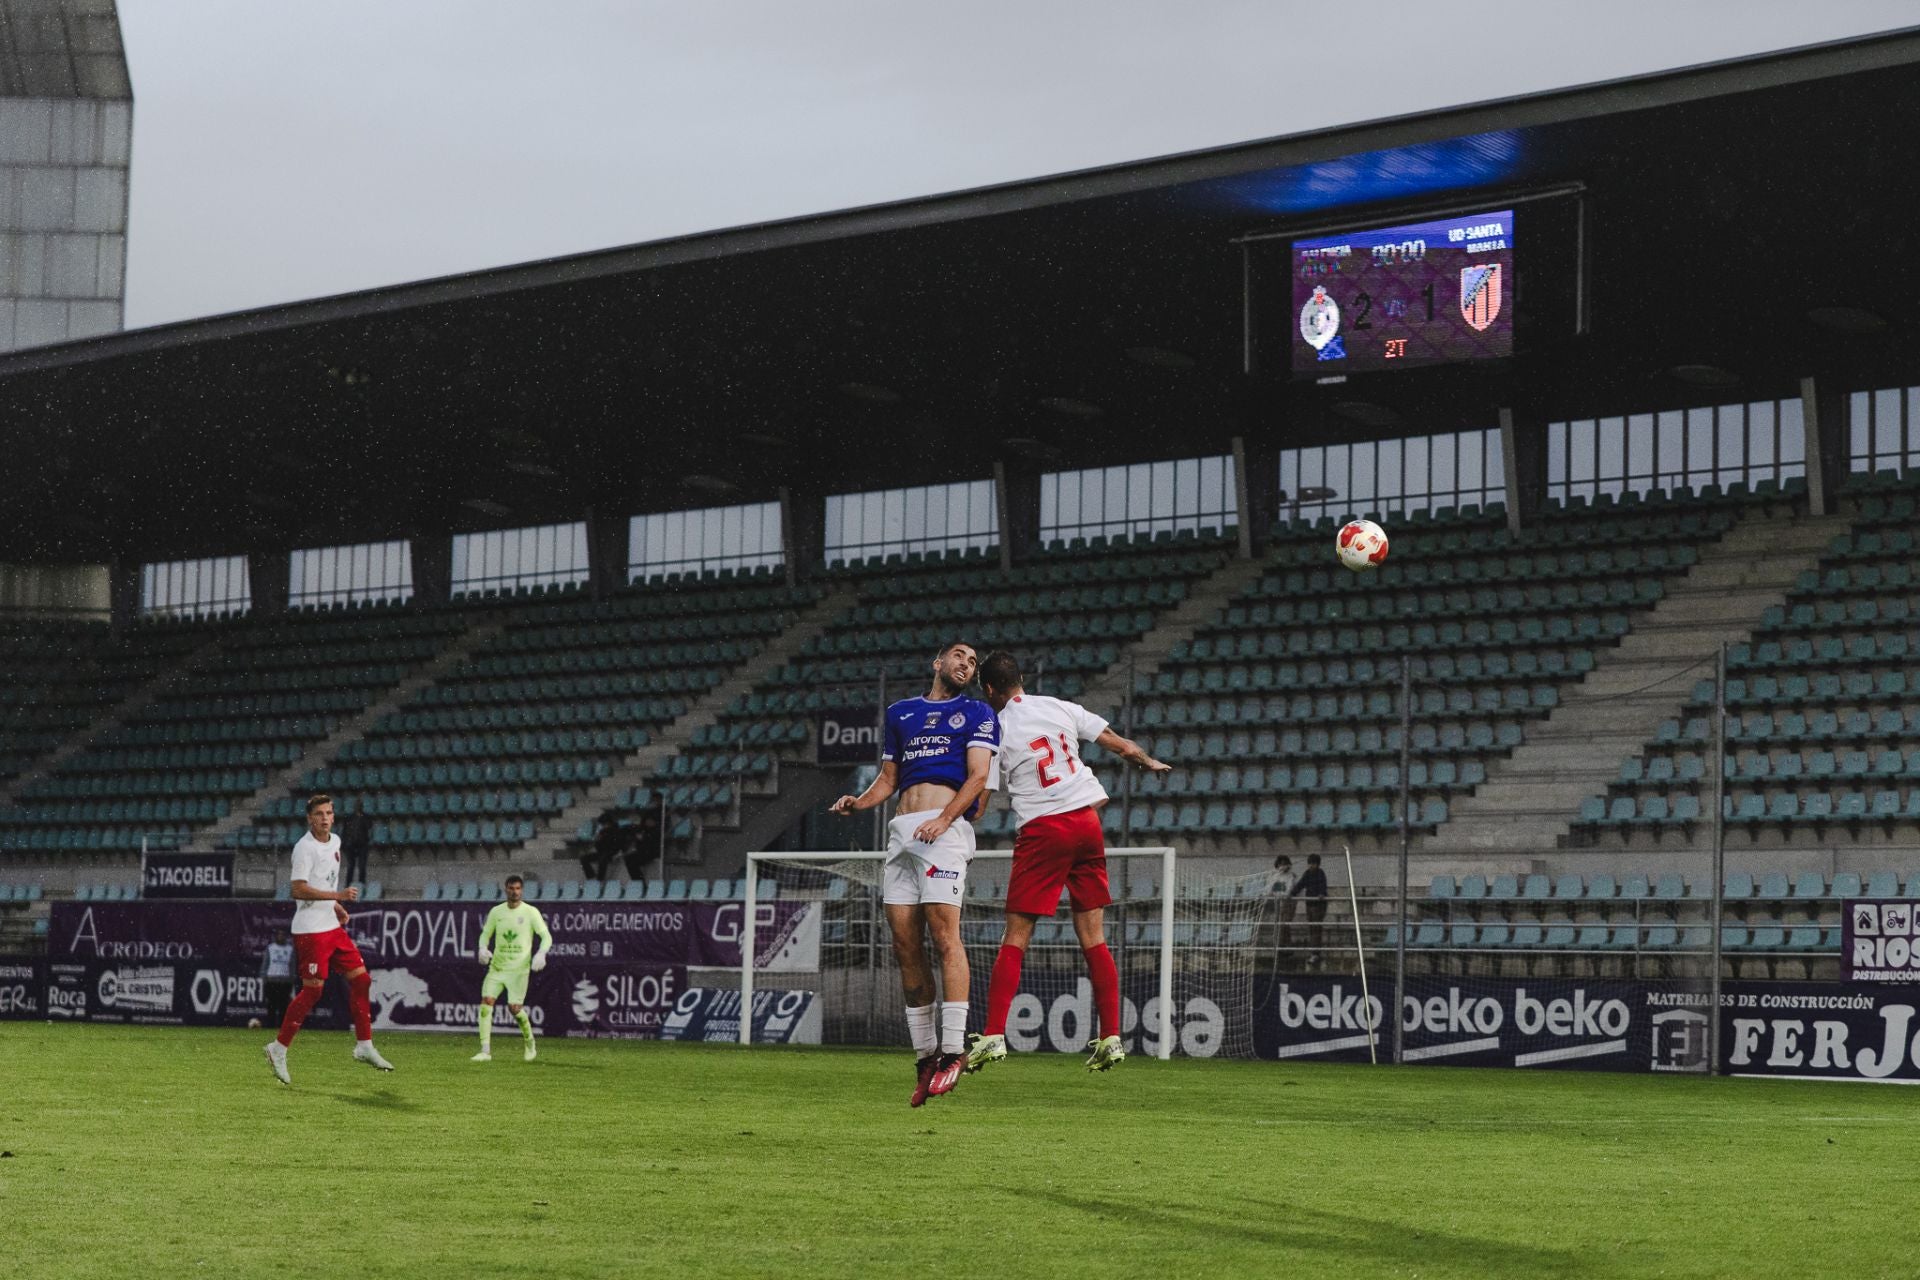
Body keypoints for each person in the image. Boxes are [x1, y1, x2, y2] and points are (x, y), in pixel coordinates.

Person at [965, 651, 1170, 1074]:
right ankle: (1112, 1036)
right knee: (1093, 936)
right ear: (1021, 679)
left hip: (1045, 830)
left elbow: (981, 797)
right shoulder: (1060, 706)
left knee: (1016, 936)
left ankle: (992, 1035)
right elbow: (1121, 746)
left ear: (988, 690)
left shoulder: (995, 728)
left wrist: (958, 815)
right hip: (1087, 823)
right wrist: (1147, 761)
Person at [829, 640, 998, 1106]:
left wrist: (944, 819)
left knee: (946, 938)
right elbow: (888, 778)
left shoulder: (979, 713)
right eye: (959, 657)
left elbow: (979, 778)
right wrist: (858, 802)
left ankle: (953, 1050)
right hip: (902, 834)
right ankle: (925, 1058)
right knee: (904, 945)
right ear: (937, 662)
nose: (966, 665)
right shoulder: (901, 712)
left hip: (943, 831)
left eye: (973, 663)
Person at [262, 794, 394, 1084]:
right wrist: (337, 896)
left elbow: (321, 883)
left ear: (334, 817)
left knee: (361, 980)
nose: (324, 818)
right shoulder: (304, 848)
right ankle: (278, 1048)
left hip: (330, 926)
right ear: (309, 818)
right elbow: (297, 889)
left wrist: (335, 907)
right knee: (313, 991)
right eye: (319, 813)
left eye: (329, 813)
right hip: (310, 930)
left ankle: (364, 1045)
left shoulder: (335, 841)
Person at [473, 874, 553, 1062]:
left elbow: (546, 936)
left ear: (522, 890)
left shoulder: (530, 912)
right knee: (486, 1003)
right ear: (506, 889)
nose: (514, 892)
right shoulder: (496, 912)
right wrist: (482, 948)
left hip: (519, 970)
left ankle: (530, 1042)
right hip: (498, 968)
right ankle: (485, 1051)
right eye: (511, 888)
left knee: (515, 1009)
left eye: (518, 889)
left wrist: (541, 953)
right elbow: (485, 934)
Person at [1290, 852, 1330, 967]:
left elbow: (1323, 886)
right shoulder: (1307, 874)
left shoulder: (1320, 874)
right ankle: (1314, 952)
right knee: (1312, 928)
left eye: (1313, 864)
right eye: (1310, 864)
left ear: (1317, 864)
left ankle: (1316, 953)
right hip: (1310, 904)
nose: (1311, 866)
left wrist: (1321, 894)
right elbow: (1300, 884)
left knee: (1316, 928)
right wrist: (1292, 893)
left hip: (1319, 905)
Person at [261, 928, 294, 1028]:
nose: (281, 937)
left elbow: (292, 965)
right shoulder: (271, 948)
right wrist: (264, 978)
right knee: (271, 1005)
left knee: (283, 1007)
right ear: (276, 937)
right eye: (279, 935)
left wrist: (291, 979)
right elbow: (265, 964)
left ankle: (281, 1027)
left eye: (283, 935)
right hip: (272, 980)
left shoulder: (290, 949)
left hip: (285, 982)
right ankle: (270, 1026)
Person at [583, 812, 630, 881]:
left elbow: (619, 845)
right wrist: (597, 841)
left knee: (603, 858)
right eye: (603, 824)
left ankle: (600, 879)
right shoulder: (602, 832)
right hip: (603, 852)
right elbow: (599, 848)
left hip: (613, 852)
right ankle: (591, 877)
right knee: (584, 858)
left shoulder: (618, 831)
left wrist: (616, 852)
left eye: (605, 824)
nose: (603, 826)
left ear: (609, 823)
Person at [1268, 854, 1298, 962]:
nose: (1283, 866)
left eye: (1285, 864)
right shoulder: (1275, 876)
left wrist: (1283, 895)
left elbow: (1289, 889)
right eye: (1281, 864)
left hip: (1289, 903)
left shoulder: (1291, 876)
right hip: (1278, 902)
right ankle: (1281, 946)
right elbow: (1271, 888)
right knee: (1280, 924)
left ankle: (1286, 946)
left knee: (1285, 924)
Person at [338, 808, 373, 888]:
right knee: (351, 866)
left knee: (361, 866)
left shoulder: (365, 818)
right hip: (351, 845)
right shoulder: (349, 818)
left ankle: (361, 885)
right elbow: (345, 832)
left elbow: (369, 827)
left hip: (362, 845)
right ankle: (348, 885)